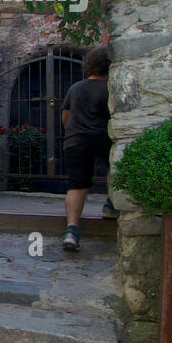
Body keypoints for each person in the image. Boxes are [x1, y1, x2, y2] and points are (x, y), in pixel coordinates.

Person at [61, 45, 116, 252]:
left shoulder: (75, 88)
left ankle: (72, 231)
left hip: (76, 139)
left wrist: (75, 131)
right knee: (115, 168)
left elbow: (66, 117)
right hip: (105, 137)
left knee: (77, 185)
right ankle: (110, 205)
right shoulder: (112, 88)